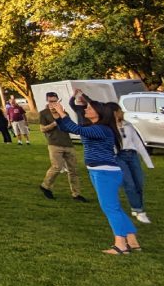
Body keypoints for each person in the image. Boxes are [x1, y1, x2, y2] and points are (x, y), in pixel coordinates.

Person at [49, 96, 141, 255]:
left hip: (104, 172)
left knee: (110, 208)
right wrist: (59, 114)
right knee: (115, 208)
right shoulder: (94, 127)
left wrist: (61, 112)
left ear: (99, 113)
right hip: (99, 171)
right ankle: (132, 241)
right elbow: (67, 128)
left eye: (89, 108)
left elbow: (76, 130)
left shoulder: (102, 129)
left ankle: (121, 245)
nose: (85, 110)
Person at [36, 91, 87, 201]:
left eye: (55, 101)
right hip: (54, 143)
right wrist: (55, 123)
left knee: (73, 170)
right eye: (50, 101)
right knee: (57, 167)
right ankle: (46, 186)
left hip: (68, 143)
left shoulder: (64, 113)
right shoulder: (44, 113)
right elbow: (42, 129)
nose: (53, 103)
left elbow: (69, 127)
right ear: (47, 101)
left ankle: (76, 194)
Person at [109, 102, 153, 224]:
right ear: (114, 113)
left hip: (132, 155)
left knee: (139, 183)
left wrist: (148, 162)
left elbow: (138, 143)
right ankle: (140, 211)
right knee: (129, 184)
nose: (121, 112)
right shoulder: (108, 128)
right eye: (119, 110)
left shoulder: (128, 125)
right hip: (119, 157)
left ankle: (136, 207)